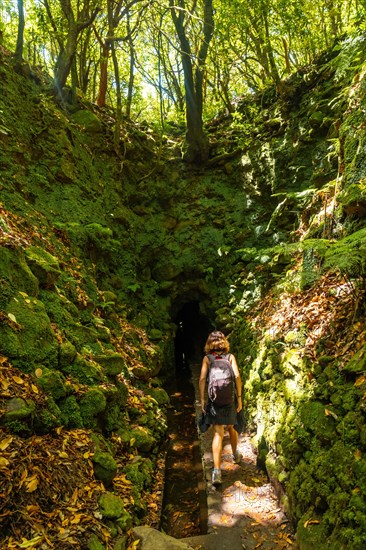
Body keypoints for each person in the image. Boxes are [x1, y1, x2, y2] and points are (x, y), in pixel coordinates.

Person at [199, 331, 242, 487]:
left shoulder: (207, 359)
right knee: (231, 427)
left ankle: (217, 471)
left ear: (209, 344)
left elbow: (203, 378)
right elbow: (236, 376)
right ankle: (236, 454)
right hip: (229, 399)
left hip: (215, 400)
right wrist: (239, 398)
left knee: (218, 433)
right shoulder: (230, 357)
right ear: (224, 342)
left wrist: (203, 399)